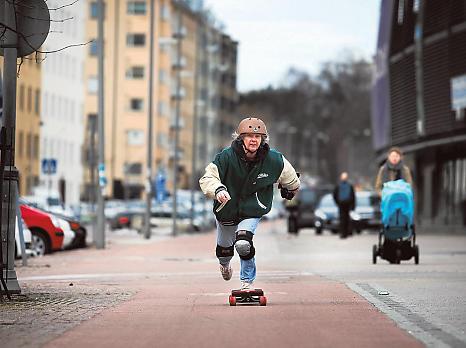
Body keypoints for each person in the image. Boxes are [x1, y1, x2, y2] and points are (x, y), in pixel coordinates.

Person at [199, 117, 300, 290]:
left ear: (262, 140)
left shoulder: (274, 159)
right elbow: (208, 178)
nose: (254, 140)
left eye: (258, 137)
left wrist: (290, 189)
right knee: (224, 251)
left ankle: (247, 282)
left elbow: (292, 180)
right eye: (248, 136)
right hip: (226, 209)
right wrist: (218, 190)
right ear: (240, 138)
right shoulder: (226, 157)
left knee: (243, 243)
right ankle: (225, 265)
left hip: (252, 209)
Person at [332, 172, 356, 239]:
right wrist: (353, 205)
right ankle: (345, 233)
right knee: (345, 219)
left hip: (342, 204)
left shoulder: (339, 185)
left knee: (343, 219)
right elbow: (353, 196)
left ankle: (343, 233)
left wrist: (337, 202)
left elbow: (334, 195)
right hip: (346, 204)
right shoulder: (349, 186)